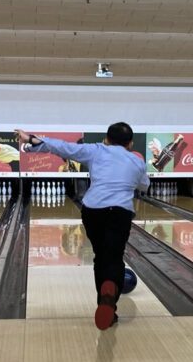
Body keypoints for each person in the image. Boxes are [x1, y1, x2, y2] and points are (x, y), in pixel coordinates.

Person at [15, 123, 149, 330]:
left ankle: (104, 299)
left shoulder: (96, 150)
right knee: (114, 258)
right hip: (120, 212)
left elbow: (63, 147)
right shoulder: (137, 161)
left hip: (93, 210)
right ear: (130, 143)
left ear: (106, 140)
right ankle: (109, 299)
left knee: (100, 257)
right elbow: (144, 185)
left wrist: (32, 139)